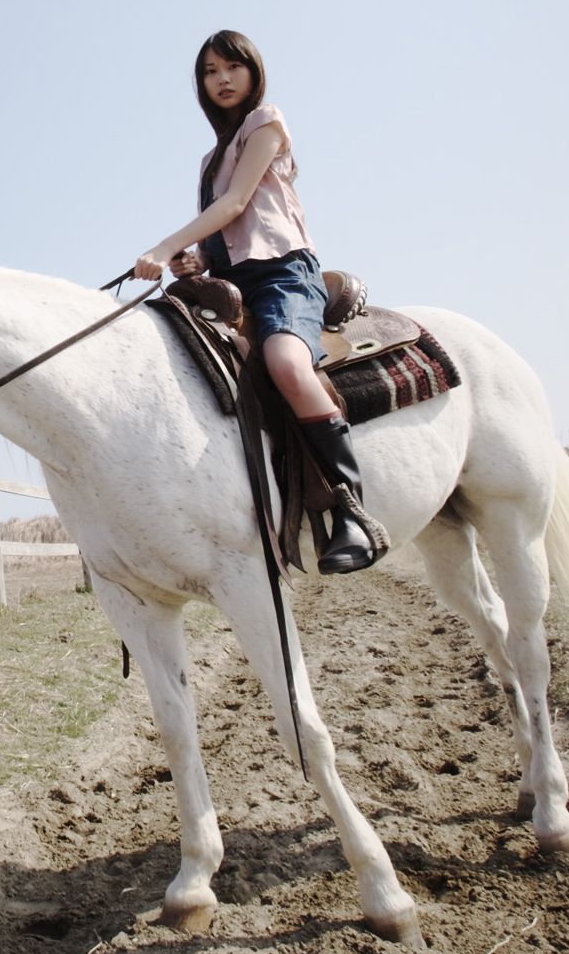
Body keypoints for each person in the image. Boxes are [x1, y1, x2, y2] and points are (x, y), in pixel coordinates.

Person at [133, 29, 383, 573]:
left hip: (282, 275)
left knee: (286, 363)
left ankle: (352, 511)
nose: (222, 79)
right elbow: (223, 231)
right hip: (232, 283)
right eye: (210, 72)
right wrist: (194, 261)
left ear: (253, 72)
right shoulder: (209, 159)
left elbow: (237, 203)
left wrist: (165, 245)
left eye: (232, 67)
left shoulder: (265, 122)